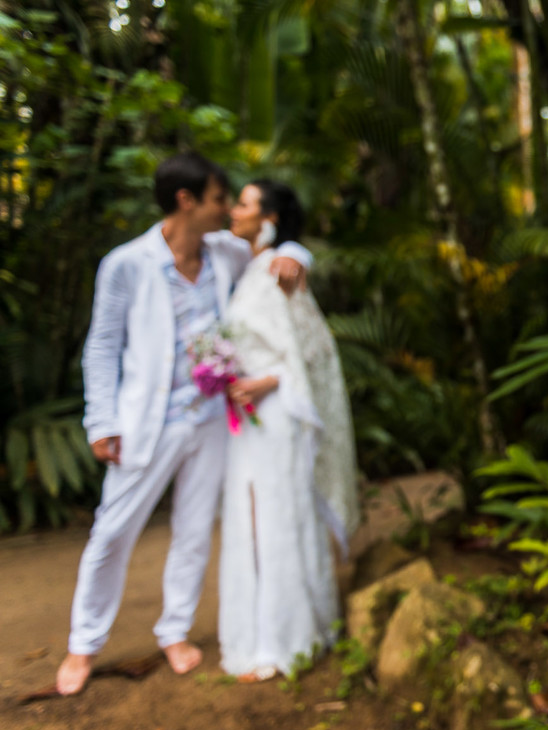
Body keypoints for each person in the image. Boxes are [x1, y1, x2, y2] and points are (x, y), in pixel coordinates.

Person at [57, 154, 312, 696]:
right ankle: (83, 645)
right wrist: (100, 420)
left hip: (214, 422)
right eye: (221, 198)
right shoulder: (126, 264)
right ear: (186, 201)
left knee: (194, 533)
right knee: (112, 533)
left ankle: (174, 631)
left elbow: (280, 247)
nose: (227, 209)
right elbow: (103, 346)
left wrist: (294, 252)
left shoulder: (223, 252)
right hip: (146, 425)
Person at [219, 179, 359, 681]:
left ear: (270, 217)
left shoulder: (280, 270)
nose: (234, 210)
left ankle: (290, 638)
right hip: (248, 415)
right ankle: (258, 635)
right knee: (251, 515)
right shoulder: (242, 265)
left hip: (278, 409)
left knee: (280, 514)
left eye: (244, 203)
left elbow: (303, 350)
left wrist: (263, 381)